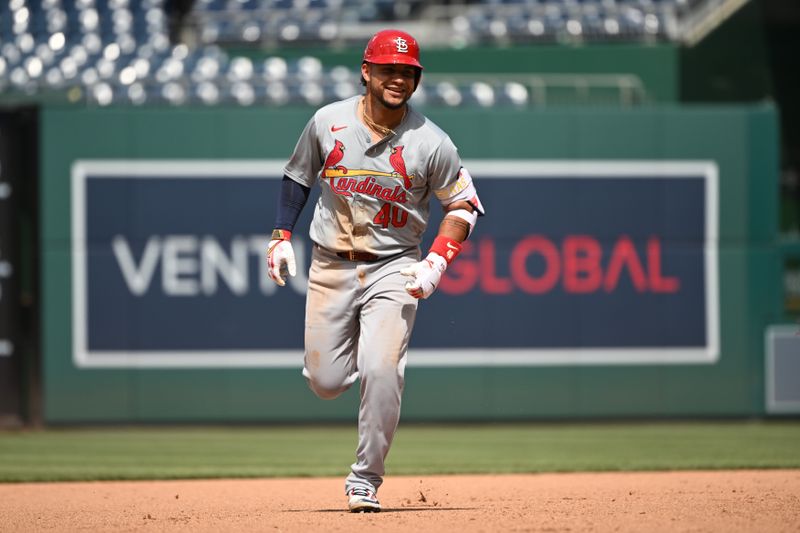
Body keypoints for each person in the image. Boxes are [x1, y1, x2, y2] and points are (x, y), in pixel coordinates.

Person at [266, 28, 485, 513]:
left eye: (408, 72)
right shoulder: (329, 121)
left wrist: (436, 261)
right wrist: (282, 234)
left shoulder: (432, 142)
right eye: (388, 69)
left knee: (383, 370)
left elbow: (464, 206)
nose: (399, 79)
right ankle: (340, 364)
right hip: (330, 264)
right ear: (366, 71)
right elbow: (297, 176)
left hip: (395, 266)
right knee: (325, 382)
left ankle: (364, 479)